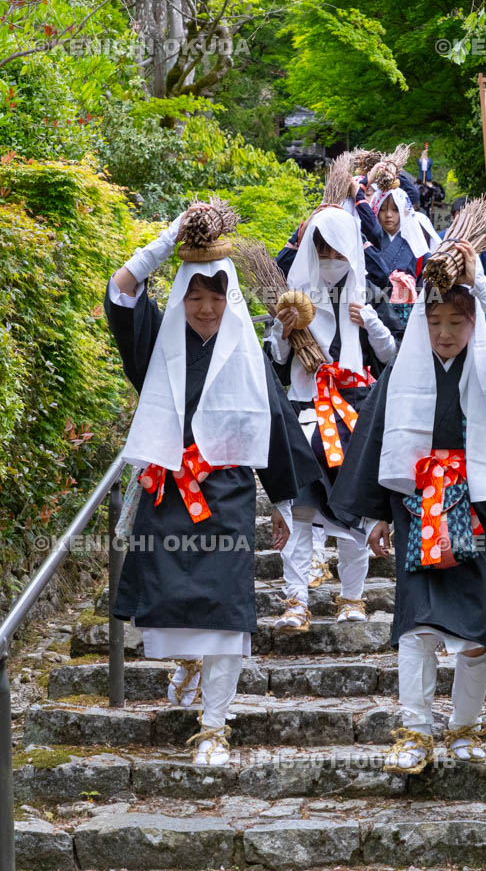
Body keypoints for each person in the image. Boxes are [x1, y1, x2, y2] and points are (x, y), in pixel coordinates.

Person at [105, 207, 320, 766]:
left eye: (216, 298)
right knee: (174, 603)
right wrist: (166, 241)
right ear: (183, 297)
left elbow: (272, 422)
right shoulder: (157, 339)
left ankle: (215, 727)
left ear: (229, 300)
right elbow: (121, 292)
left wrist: (282, 500)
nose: (205, 308)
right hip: (168, 491)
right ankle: (187, 662)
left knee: (227, 611)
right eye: (196, 297)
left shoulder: (245, 353)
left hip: (226, 494)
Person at [329, 241, 486, 774]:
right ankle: (414, 732)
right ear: (420, 321)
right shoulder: (403, 376)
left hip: (482, 502)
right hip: (418, 503)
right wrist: (378, 513)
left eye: (457, 321)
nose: (445, 332)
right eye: (434, 320)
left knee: (479, 629)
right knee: (417, 623)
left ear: (473, 322)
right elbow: (382, 441)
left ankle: (465, 727)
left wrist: (481, 285)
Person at [266, 206, 397, 630]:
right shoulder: (294, 297)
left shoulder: (366, 295)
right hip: (305, 413)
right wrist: (283, 332)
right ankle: (295, 600)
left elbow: (394, 356)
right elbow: (277, 361)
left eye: (337, 251)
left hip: (353, 411)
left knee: (355, 505)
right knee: (298, 508)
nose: (330, 259)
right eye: (321, 250)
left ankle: (353, 597)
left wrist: (372, 323)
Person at [372, 185, 432, 337]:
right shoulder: (369, 242)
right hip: (375, 311)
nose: (388, 215)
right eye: (383, 209)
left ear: (404, 211)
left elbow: (424, 280)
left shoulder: (415, 242)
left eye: (395, 209)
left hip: (408, 313)